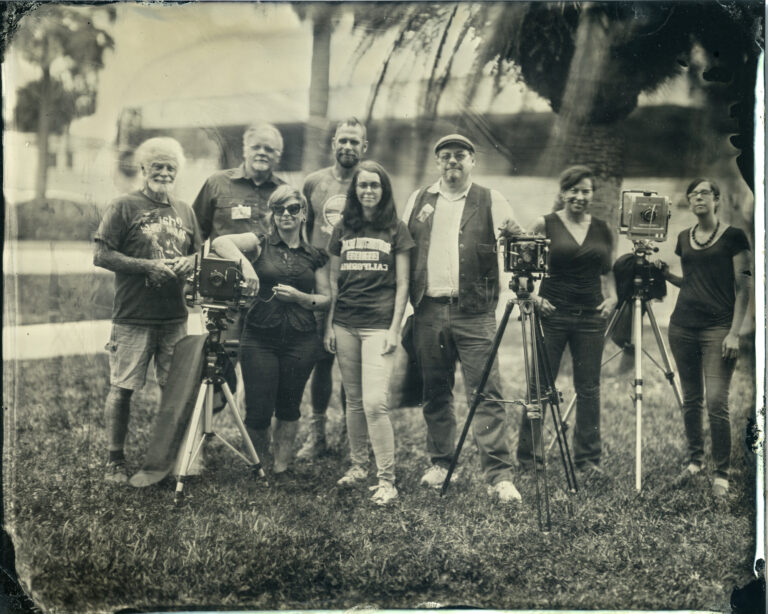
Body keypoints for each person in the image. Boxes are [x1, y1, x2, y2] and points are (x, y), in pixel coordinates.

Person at [403, 134, 524, 503]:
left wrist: (509, 297)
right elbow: (404, 251)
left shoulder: (491, 198)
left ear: (472, 161)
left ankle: (499, 475)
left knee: (487, 392)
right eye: (445, 156)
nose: (452, 161)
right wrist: (408, 305)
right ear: (437, 162)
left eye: (460, 155)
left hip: (476, 311)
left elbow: (515, 247)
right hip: (428, 309)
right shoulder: (419, 199)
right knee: (435, 390)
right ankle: (441, 463)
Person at [94, 137, 202, 483]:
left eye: (171, 166)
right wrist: (146, 266)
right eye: (158, 166)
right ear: (143, 169)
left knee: (175, 390)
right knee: (122, 387)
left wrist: (190, 263)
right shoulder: (124, 205)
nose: (165, 172)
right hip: (134, 315)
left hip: (174, 317)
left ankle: (169, 457)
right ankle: (114, 460)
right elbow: (101, 254)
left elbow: (199, 253)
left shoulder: (185, 210)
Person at [211, 186, 330, 477]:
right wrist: (247, 269)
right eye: (279, 209)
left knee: (289, 406)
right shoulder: (260, 243)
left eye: (292, 209)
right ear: (273, 215)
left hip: (301, 338)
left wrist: (300, 298)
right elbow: (221, 242)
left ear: (304, 214)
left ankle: (281, 467)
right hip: (260, 337)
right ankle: (259, 465)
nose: (286, 215)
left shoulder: (314, 255)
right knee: (258, 408)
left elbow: (326, 298)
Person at [516, 165, 617, 480]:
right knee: (539, 386)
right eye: (573, 190)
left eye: (585, 190)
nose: (579, 196)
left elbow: (608, 271)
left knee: (588, 388)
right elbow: (521, 270)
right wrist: (532, 297)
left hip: (590, 318)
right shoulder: (544, 223)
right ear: (562, 193)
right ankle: (529, 460)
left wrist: (612, 298)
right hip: (552, 315)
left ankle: (587, 460)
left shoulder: (602, 228)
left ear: (592, 195)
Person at [324, 161, 414, 505]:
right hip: (345, 323)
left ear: (384, 189)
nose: (368, 191)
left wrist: (394, 329)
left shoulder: (396, 228)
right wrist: (330, 325)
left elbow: (403, 283)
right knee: (355, 400)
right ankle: (358, 465)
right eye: (362, 186)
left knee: (376, 403)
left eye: (375, 185)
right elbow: (334, 281)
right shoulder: (343, 227)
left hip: (379, 326)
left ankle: (387, 479)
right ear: (354, 190)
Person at [659, 178, 751, 499]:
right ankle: (695, 461)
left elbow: (743, 289)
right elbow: (694, 282)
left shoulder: (734, 237)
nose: (697, 198)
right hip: (682, 326)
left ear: (716, 200)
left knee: (716, 401)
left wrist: (735, 333)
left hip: (719, 330)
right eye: (693, 194)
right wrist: (668, 275)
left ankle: (722, 473)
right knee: (692, 399)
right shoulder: (684, 238)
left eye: (704, 193)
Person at [298, 118, 368, 459]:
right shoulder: (314, 182)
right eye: (343, 140)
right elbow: (304, 230)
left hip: (356, 282)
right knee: (321, 361)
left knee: (352, 364)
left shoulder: (369, 183)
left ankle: (350, 435)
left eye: (355, 142)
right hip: (320, 282)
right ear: (333, 145)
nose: (348, 147)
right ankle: (318, 435)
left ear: (364, 148)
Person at [193, 123, 286, 242]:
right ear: (245, 151)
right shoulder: (216, 183)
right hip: (224, 260)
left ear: (278, 156)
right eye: (256, 147)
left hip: (267, 261)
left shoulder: (284, 192)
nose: (262, 152)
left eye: (269, 149)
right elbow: (195, 231)